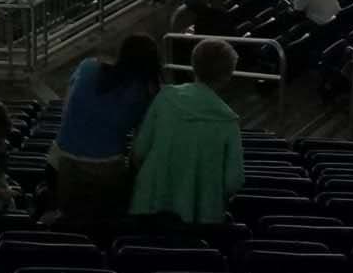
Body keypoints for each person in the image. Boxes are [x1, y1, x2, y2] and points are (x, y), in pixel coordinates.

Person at [128, 37, 244, 222]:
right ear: (227, 76)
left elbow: (140, 150)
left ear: (193, 65)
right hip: (200, 217)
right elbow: (233, 181)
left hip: (150, 204)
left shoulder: (165, 98)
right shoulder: (228, 121)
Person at [48, 35, 162, 220]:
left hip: (61, 164)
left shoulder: (87, 67)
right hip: (106, 171)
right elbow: (139, 149)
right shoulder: (144, 94)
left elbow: (67, 109)